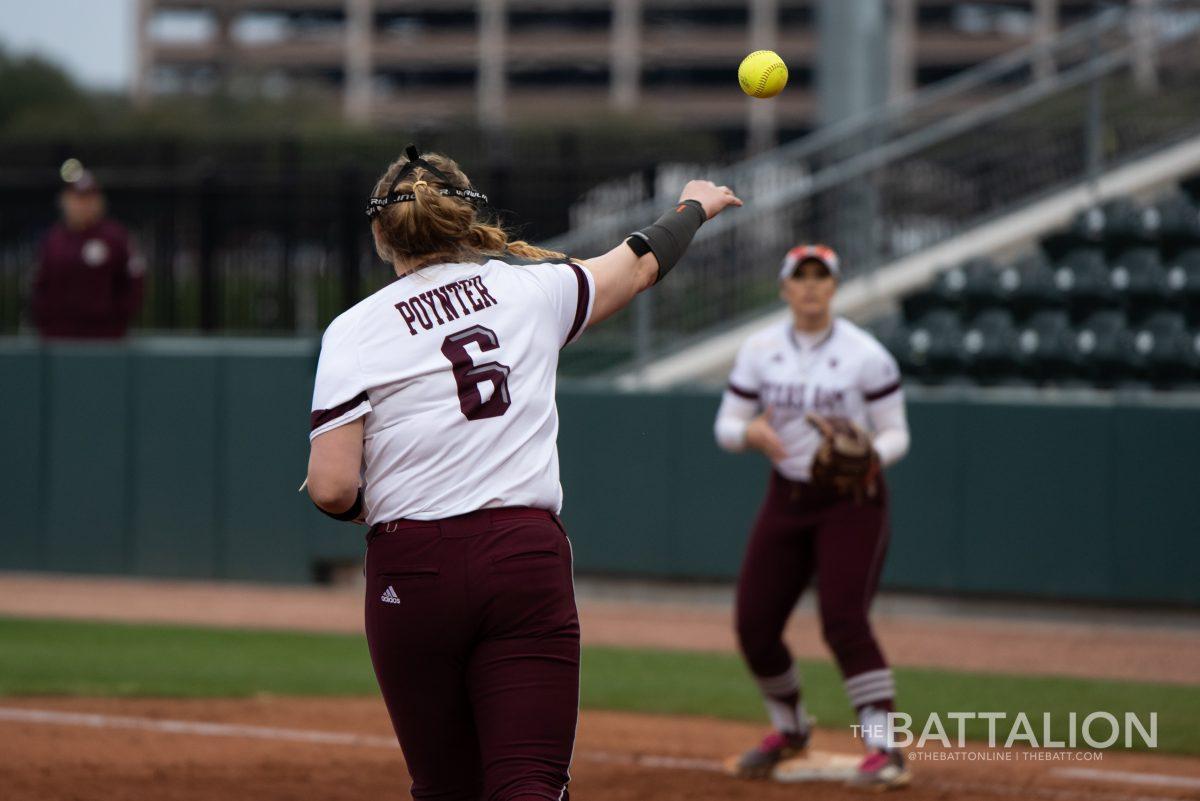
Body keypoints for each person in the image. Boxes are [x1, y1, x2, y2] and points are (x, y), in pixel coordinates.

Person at [305, 144, 741, 801]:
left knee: (445, 787)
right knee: (529, 782)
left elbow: (334, 486)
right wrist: (694, 206)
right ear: (465, 219)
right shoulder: (530, 288)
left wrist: (370, 503)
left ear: (379, 232)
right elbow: (638, 263)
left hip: (413, 564)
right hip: (522, 556)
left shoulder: (353, 331)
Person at [713, 244, 912, 789]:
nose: (809, 286)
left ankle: (884, 747)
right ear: (784, 288)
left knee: (844, 620)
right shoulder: (759, 349)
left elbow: (897, 432)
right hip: (788, 495)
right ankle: (791, 727)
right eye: (799, 277)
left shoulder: (865, 354)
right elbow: (726, 426)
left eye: (819, 277)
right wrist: (748, 433)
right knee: (754, 625)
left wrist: (870, 455)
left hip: (853, 502)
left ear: (834, 286)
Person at [32, 168, 144, 339]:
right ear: (65, 200)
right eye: (78, 198)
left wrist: (117, 323)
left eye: (89, 198)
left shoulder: (115, 237)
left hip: (104, 337)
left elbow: (134, 282)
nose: (83, 205)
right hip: (58, 337)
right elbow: (39, 285)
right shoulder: (52, 240)